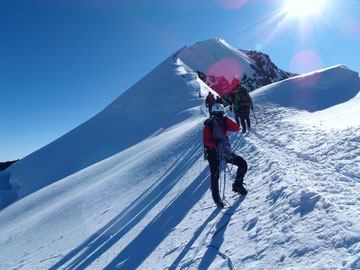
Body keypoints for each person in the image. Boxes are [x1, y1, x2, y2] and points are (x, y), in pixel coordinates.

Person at [203, 103, 248, 208]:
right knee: (215, 175)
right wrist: (215, 144)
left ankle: (238, 185)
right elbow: (206, 141)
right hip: (213, 153)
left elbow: (236, 128)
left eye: (221, 113)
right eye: (217, 113)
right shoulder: (209, 124)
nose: (219, 115)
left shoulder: (223, 122)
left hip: (224, 151)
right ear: (213, 113)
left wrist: (226, 119)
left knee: (242, 163)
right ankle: (216, 199)